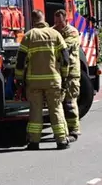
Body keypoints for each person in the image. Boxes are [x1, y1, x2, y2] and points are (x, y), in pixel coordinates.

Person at [15, 9, 71, 150]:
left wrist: (19, 79)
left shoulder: (28, 36)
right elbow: (65, 59)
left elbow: (21, 60)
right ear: (43, 18)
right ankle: (61, 141)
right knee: (56, 109)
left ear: (33, 21)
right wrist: (64, 76)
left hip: (34, 82)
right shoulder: (55, 34)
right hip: (53, 80)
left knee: (35, 110)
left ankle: (34, 142)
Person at [53, 9, 82, 142]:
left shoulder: (72, 32)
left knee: (70, 102)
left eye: (60, 22)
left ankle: (74, 130)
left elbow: (65, 47)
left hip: (71, 73)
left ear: (66, 20)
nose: (57, 25)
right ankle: (63, 131)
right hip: (58, 72)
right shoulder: (54, 30)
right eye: (55, 22)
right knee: (59, 104)